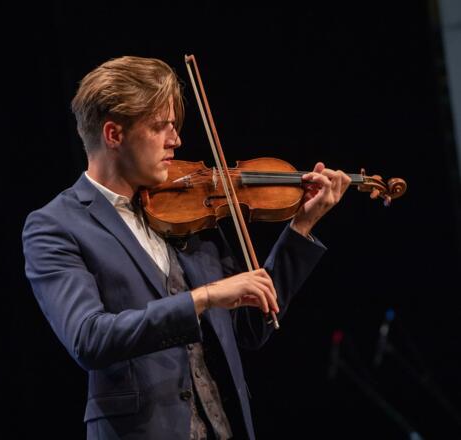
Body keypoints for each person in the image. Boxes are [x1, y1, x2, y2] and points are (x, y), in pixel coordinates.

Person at [22, 55, 351, 439]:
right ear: (113, 135)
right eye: (159, 127)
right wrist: (203, 297)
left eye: (174, 126)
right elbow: (90, 339)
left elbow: (249, 327)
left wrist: (301, 226)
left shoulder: (188, 211)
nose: (175, 140)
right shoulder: (56, 225)